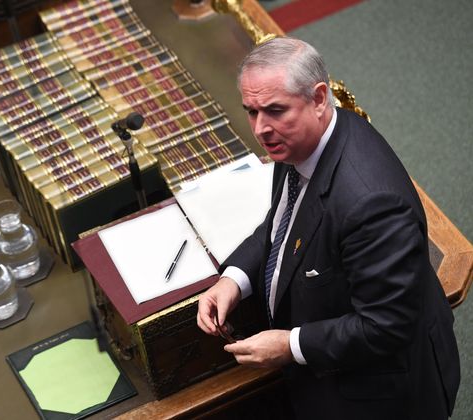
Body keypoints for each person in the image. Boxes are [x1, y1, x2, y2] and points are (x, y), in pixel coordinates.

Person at [197, 37, 460, 419]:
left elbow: (384, 326)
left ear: (319, 98)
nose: (260, 128)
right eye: (251, 111)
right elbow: (281, 225)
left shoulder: (370, 204)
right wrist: (233, 280)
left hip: (381, 397)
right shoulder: (301, 140)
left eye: (273, 110)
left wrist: (291, 345)